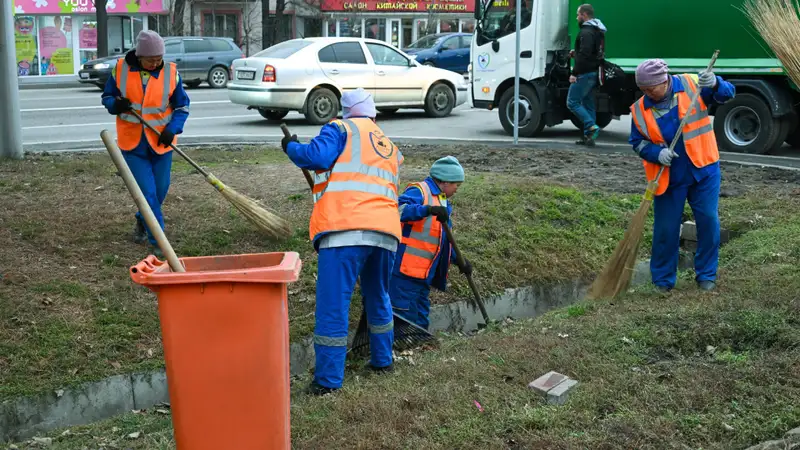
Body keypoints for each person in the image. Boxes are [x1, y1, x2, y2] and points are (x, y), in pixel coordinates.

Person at [282, 88, 403, 395]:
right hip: (386, 232)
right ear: (373, 114)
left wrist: (291, 147)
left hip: (345, 230)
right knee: (378, 296)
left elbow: (316, 157)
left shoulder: (340, 129)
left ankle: (328, 380)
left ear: (346, 112)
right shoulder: (388, 145)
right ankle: (383, 361)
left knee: (333, 305)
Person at [629, 59, 736, 293]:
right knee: (666, 230)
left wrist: (716, 83)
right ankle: (662, 281)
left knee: (708, 221)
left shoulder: (692, 83)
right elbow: (637, 142)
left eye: (651, 88)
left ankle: (706, 276)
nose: (648, 93)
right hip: (669, 176)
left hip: (703, 169)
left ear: (664, 80)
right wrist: (657, 153)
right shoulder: (639, 110)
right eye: (643, 89)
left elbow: (727, 95)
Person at [101, 30, 190, 258]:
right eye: (151, 59)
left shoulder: (171, 73)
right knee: (148, 193)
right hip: (132, 145)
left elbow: (182, 106)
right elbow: (107, 97)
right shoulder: (120, 69)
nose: (156, 63)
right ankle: (159, 241)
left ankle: (142, 219)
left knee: (160, 191)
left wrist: (172, 129)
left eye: (159, 58)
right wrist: (116, 105)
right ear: (139, 56)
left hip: (161, 142)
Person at [389, 156, 472, 331]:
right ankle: (400, 344)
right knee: (403, 316)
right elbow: (397, 210)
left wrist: (459, 260)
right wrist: (427, 210)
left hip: (424, 273)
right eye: (456, 184)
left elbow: (442, 238)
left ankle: (420, 343)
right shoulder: (420, 191)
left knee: (421, 316)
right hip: (405, 271)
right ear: (445, 182)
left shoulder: (441, 201)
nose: (457, 189)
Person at [567, 3, 607, 147]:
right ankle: (588, 138)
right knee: (589, 104)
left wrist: (574, 73)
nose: (577, 18)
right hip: (594, 72)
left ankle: (591, 126)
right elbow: (593, 52)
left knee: (572, 102)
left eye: (578, 15)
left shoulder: (586, 32)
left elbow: (585, 55)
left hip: (584, 73)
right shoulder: (598, 31)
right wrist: (576, 53)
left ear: (584, 15)